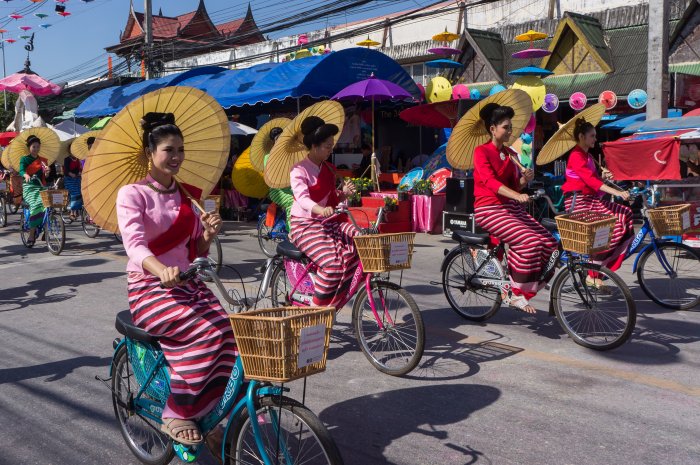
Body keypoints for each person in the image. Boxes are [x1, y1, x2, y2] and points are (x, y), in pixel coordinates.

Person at [116, 112, 236, 448]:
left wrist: (208, 235)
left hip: (188, 285)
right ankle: (176, 412)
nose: (177, 157)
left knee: (230, 332)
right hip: (150, 289)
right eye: (169, 150)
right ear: (149, 153)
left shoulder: (189, 196)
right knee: (207, 334)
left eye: (181, 150)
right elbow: (135, 246)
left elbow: (195, 250)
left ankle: (207, 413)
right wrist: (161, 270)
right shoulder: (132, 194)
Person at [472, 103, 558, 313]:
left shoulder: (511, 154)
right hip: (488, 209)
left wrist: (523, 180)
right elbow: (491, 183)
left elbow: (513, 186)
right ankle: (514, 292)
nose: (510, 131)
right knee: (529, 241)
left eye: (511, 127)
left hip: (510, 208)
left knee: (549, 242)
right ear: (493, 129)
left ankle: (529, 285)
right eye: (505, 127)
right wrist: (518, 194)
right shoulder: (481, 152)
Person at [288, 116, 357, 307]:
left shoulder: (328, 168)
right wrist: (320, 209)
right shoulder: (299, 170)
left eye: (331, 146)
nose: (330, 150)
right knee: (333, 265)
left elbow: (330, 198)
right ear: (314, 146)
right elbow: (302, 199)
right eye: (327, 146)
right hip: (305, 225)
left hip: (326, 222)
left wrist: (343, 194)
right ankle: (318, 309)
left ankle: (337, 295)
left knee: (360, 240)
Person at [562, 118, 634, 287]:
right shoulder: (576, 156)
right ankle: (593, 273)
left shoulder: (587, 156)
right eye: (592, 136)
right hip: (579, 202)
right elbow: (591, 182)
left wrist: (606, 180)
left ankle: (602, 267)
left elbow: (596, 185)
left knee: (626, 213)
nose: (595, 139)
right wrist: (616, 192)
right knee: (610, 227)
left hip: (592, 200)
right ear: (581, 136)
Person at [19, 135, 48, 247]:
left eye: (37, 147)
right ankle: (31, 235)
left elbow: (47, 176)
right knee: (36, 205)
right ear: (29, 148)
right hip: (29, 187)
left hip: (41, 186)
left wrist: (47, 171)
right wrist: (25, 175)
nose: (36, 149)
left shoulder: (43, 160)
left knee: (48, 205)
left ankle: (46, 230)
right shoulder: (24, 159)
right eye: (33, 147)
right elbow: (21, 170)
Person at [266, 126, 294, 231]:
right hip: (277, 190)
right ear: (274, 141)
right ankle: (291, 233)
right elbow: (271, 176)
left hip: (291, 187)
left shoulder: (289, 154)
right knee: (292, 202)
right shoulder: (268, 157)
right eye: (278, 138)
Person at [63, 149, 83, 220]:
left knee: (79, 194)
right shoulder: (67, 159)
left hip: (77, 179)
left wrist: (80, 172)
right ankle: (71, 212)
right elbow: (66, 170)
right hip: (69, 180)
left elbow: (80, 169)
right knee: (73, 194)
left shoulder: (78, 160)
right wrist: (71, 174)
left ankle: (76, 210)